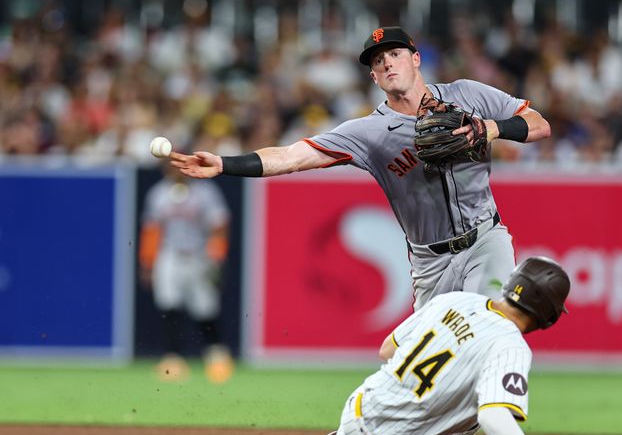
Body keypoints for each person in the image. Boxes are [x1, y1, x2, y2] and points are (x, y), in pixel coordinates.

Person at [170, 26, 551, 311]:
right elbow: (292, 156)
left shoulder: (467, 94)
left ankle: (487, 412)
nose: (386, 61)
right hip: (430, 261)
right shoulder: (369, 132)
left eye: (395, 53)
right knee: (418, 369)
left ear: (416, 59)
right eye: (377, 60)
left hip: (486, 239)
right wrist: (224, 163)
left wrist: (492, 128)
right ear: (373, 76)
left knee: (488, 327)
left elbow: (538, 123)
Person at [306, 256, 584, 435]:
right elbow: (493, 415)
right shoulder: (511, 345)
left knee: (398, 386)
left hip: (355, 410)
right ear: (549, 315)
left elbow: (388, 349)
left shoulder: (456, 300)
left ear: (511, 284)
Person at [139, 164, 233, 382]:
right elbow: (152, 229)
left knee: (205, 309)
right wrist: (147, 262)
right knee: (168, 305)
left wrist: (217, 257)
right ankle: (173, 359)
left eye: (180, 168)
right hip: (169, 254)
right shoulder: (159, 193)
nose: (176, 172)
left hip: (199, 255)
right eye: (172, 168)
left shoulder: (205, 192)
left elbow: (219, 225)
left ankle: (216, 357)